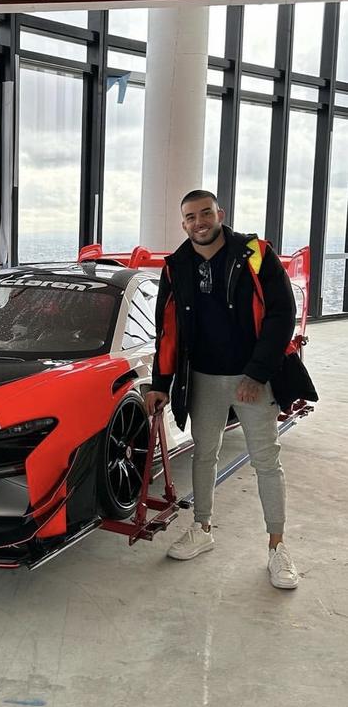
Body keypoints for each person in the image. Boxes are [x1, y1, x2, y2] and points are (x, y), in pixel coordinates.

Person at [145, 190, 299, 589]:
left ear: (220, 213)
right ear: (183, 224)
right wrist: (161, 383)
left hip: (253, 379)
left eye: (205, 213)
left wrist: (257, 373)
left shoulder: (255, 253)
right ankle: (202, 528)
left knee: (266, 460)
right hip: (203, 379)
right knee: (204, 455)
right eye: (190, 217)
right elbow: (168, 329)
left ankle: (277, 548)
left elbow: (282, 315)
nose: (199, 222)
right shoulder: (175, 266)